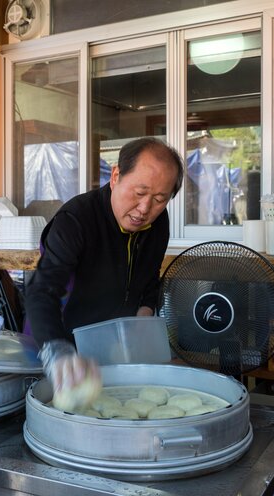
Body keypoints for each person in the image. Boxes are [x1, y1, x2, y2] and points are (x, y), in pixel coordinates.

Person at [25, 137, 184, 394]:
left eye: (159, 199)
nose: (145, 208)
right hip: (56, 349)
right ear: (115, 176)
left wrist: (144, 312)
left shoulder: (158, 223)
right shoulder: (76, 220)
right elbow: (42, 290)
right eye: (140, 193)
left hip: (111, 350)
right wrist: (58, 351)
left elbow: (150, 275)